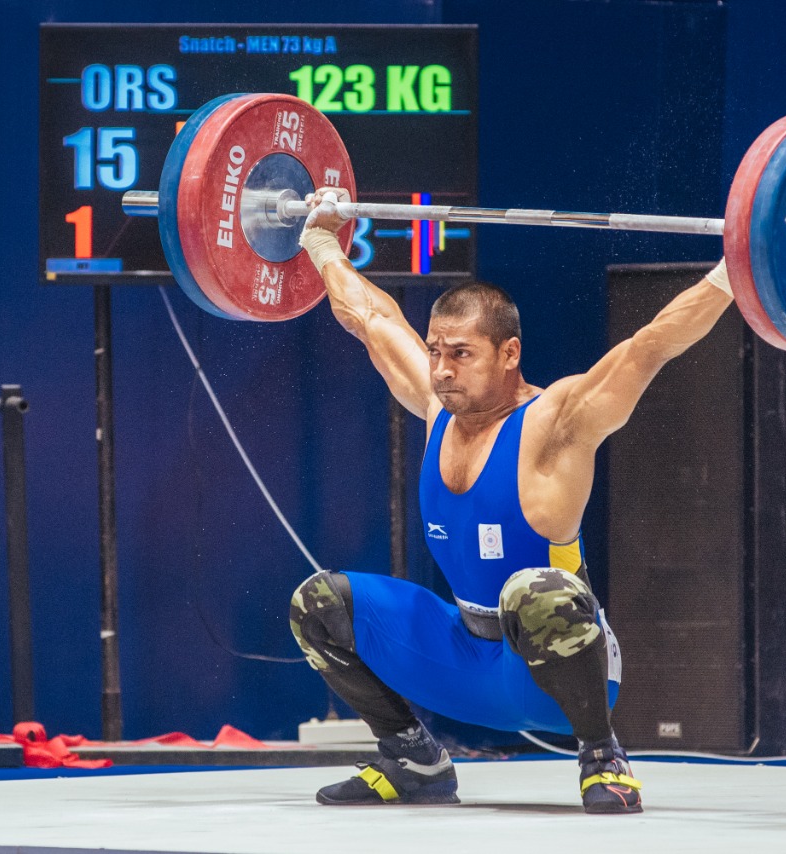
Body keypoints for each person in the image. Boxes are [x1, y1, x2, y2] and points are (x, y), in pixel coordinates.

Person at [289, 188, 734, 814]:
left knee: (534, 590)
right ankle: (413, 758)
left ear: (509, 354)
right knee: (318, 604)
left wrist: (734, 270)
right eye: (437, 351)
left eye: (461, 355)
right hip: (462, 657)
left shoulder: (558, 422)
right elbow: (371, 319)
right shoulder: (434, 406)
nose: (441, 369)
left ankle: (602, 757)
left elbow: (650, 344)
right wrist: (320, 240)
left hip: (550, 672)